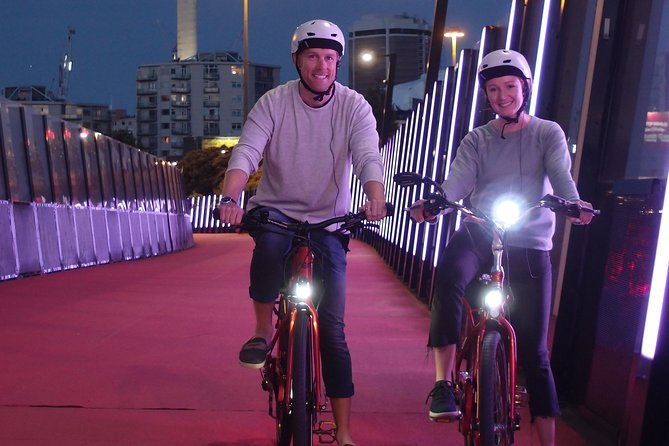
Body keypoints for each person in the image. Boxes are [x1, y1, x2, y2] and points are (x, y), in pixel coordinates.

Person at [409, 49, 594, 446]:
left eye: (510, 86)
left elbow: (561, 177)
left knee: (535, 352)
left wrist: (573, 204)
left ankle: (547, 440)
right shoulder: (477, 139)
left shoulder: (547, 132)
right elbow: (458, 181)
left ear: (525, 88)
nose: (502, 95)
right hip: (481, 231)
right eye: (493, 89)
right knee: (450, 276)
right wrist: (436, 203)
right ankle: (442, 383)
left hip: (529, 243)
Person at [217, 19, 387, 446]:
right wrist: (230, 198)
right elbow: (248, 151)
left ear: (338, 64)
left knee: (332, 329)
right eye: (312, 56)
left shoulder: (354, 106)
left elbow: (367, 155)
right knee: (269, 248)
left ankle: (344, 431)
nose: (322, 65)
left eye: (330, 58)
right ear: (297, 60)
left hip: (328, 222)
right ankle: (260, 332)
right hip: (277, 212)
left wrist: (375, 196)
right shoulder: (274, 102)